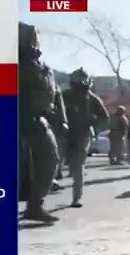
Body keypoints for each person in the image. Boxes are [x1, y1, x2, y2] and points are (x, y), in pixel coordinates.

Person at [18, 22, 67, 222]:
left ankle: (35, 206)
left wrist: (60, 120)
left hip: (37, 119)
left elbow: (54, 94)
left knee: (49, 159)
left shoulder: (40, 66)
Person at [62, 68, 110, 208]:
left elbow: (104, 117)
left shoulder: (92, 99)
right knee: (55, 161)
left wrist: (91, 123)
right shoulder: (65, 95)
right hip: (64, 132)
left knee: (78, 166)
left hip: (82, 134)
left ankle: (76, 197)